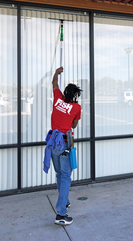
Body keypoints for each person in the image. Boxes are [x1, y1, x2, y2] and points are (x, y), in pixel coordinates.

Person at [44, 66, 82, 226]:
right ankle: (61, 214)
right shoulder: (76, 108)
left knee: (60, 174)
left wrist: (57, 73)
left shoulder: (57, 98)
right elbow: (73, 126)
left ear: (65, 92)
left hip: (53, 143)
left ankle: (64, 201)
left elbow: (54, 83)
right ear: (76, 95)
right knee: (66, 176)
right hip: (65, 144)